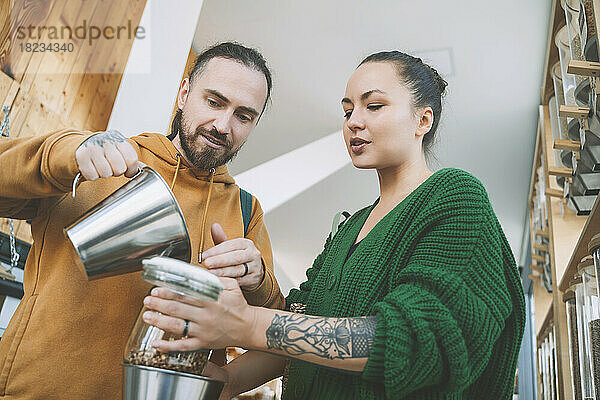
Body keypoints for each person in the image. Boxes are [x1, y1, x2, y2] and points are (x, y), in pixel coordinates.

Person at [142, 50, 526, 400]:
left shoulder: (454, 196)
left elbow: (409, 340)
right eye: (347, 111)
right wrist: (231, 380)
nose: (354, 122)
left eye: (373, 106)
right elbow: (305, 324)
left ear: (423, 119)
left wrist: (245, 324)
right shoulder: (350, 228)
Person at [0, 42, 285, 400]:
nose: (222, 125)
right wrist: (66, 152)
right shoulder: (102, 161)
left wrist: (257, 280)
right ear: (184, 94)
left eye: (243, 116)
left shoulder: (245, 211)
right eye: (214, 102)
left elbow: (273, 328)